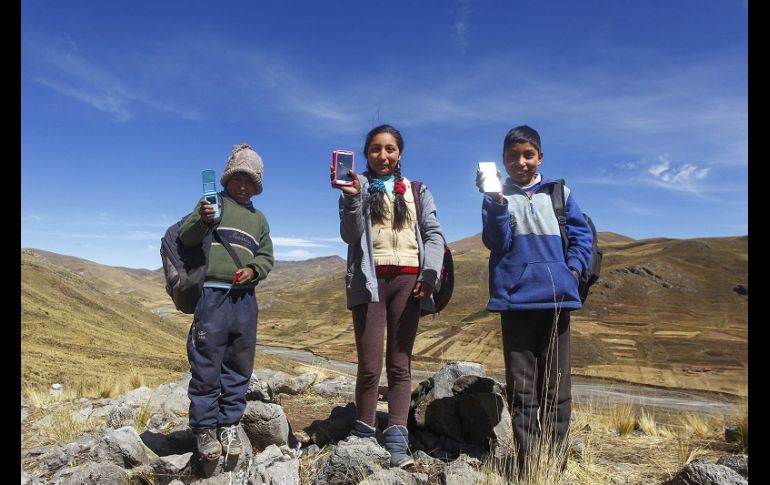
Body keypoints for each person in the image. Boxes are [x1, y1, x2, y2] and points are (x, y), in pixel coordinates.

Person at [476, 125, 592, 476]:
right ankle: (530, 467)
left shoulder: (559, 192)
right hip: (516, 303)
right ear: (503, 162)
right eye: (513, 156)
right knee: (523, 392)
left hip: (557, 301)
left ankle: (554, 466)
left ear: (539, 157)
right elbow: (497, 242)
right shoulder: (496, 197)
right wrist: (496, 203)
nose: (521, 162)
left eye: (528, 155)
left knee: (556, 390)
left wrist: (572, 271)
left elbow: (581, 235)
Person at [331, 124, 446, 468]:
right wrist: (352, 197)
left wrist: (429, 274)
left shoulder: (417, 189)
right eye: (376, 149)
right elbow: (350, 235)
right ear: (366, 154)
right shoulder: (358, 186)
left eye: (390, 149)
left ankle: (397, 434)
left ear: (400, 154)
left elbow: (433, 234)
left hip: (409, 281)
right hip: (369, 281)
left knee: (399, 364)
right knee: (369, 366)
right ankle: (364, 431)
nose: (383, 155)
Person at [179, 144, 274, 461]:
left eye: (250, 181)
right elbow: (186, 237)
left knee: (239, 364)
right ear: (227, 178)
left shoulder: (259, 219)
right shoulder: (212, 203)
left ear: (257, 186)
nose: (243, 186)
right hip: (213, 296)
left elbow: (266, 255)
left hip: (245, 300)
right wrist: (203, 221)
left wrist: (254, 270)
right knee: (207, 363)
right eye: (238, 178)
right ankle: (205, 429)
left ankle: (229, 425)